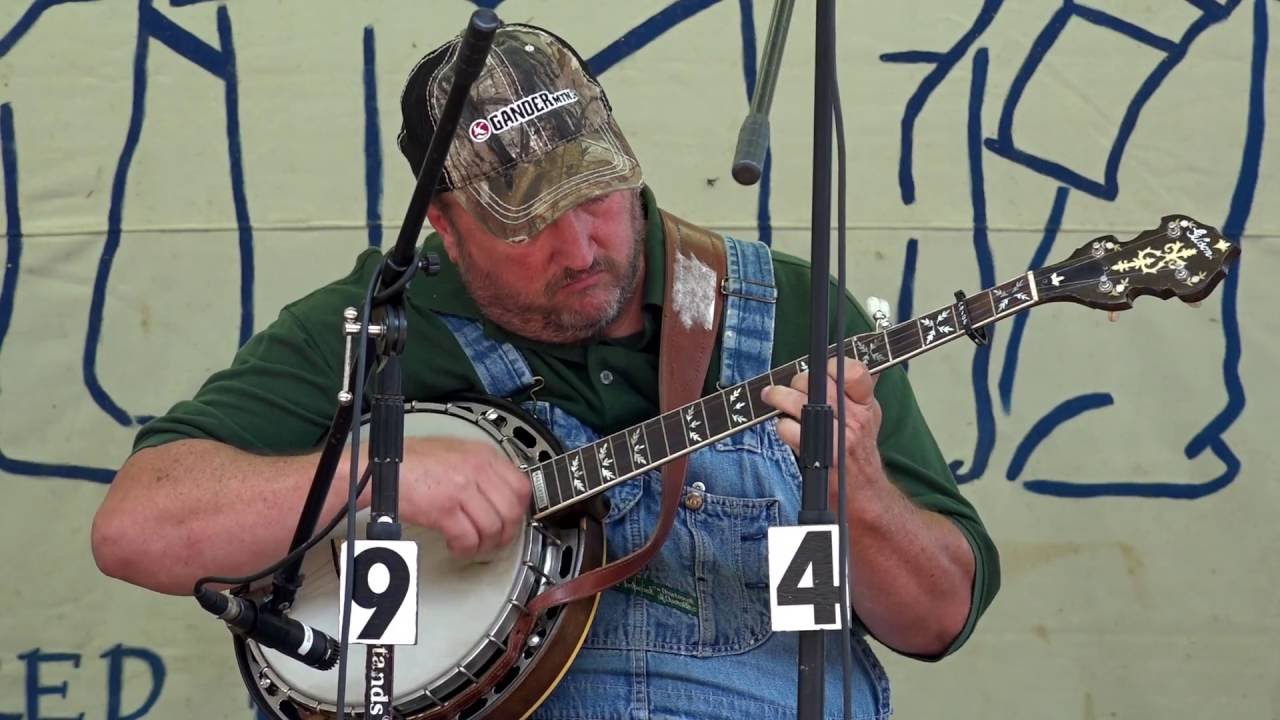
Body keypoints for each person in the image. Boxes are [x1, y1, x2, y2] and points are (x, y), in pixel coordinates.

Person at [91, 22, 999, 720]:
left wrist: (862, 495)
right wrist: (377, 475)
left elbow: (935, 622)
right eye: (527, 224)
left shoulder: (798, 315)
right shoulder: (384, 322)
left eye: (598, 198)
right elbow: (136, 527)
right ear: (445, 229)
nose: (581, 249)